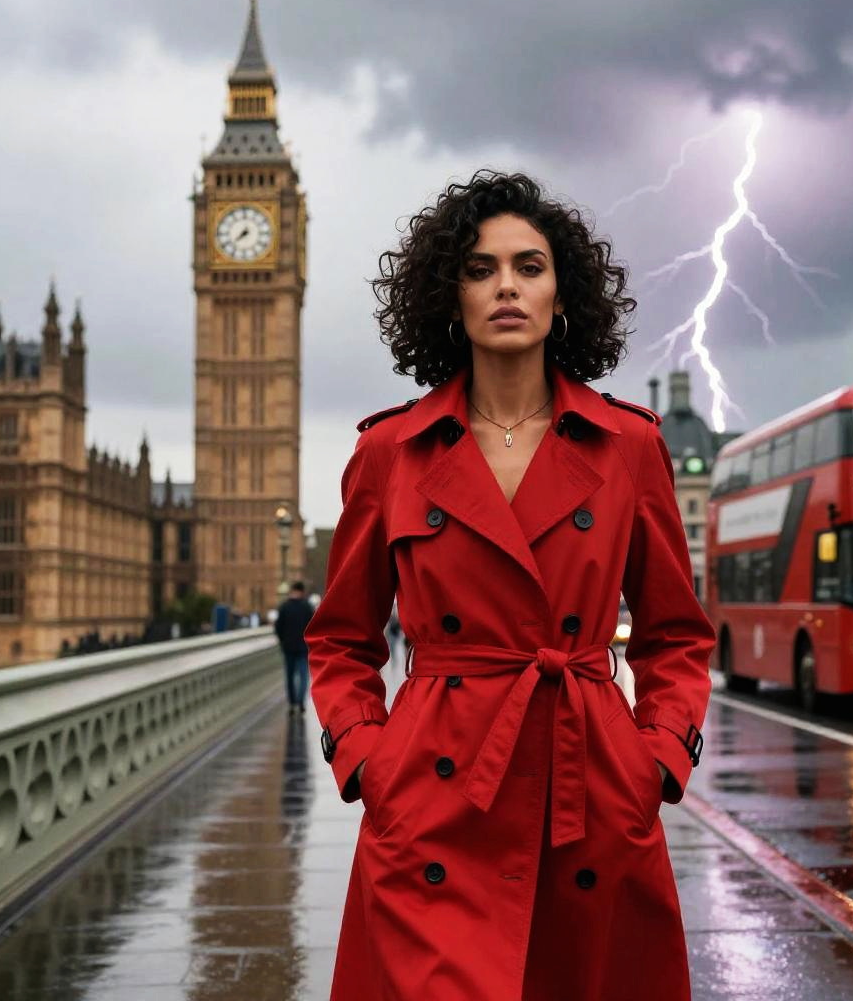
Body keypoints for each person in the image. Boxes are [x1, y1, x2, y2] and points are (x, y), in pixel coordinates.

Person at [305, 171, 715, 1000]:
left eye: (529, 268)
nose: (506, 288)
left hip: (592, 792)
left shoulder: (628, 447)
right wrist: (368, 761)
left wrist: (657, 760)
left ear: (563, 296)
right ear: (446, 297)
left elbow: (676, 636)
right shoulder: (390, 455)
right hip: (432, 800)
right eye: (481, 269)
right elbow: (341, 640)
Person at [274, 581, 314, 714]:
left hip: (288, 647)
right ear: (302, 591)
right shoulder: (307, 607)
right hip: (303, 647)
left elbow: (278, 627)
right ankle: (301, 701)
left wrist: (282, 641)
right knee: (303, 676)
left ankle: (292, 703)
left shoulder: (284, 607)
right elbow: (313, 627)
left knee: (290, 676)